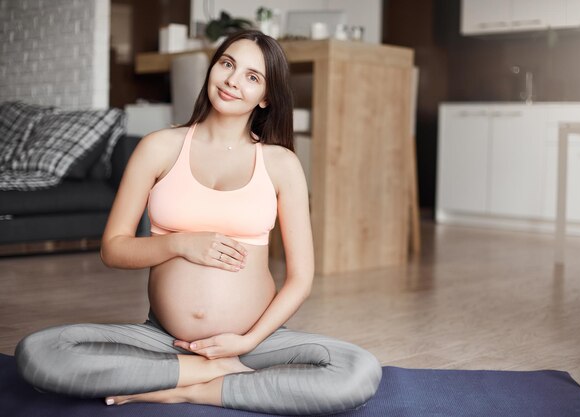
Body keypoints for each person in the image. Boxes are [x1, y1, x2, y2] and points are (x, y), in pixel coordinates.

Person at [14, 30, 382, 415]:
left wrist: (247, 341)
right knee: (40, 353)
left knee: (357, 370)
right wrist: (181, 243)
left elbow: (300, 279)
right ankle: (209, 372)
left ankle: (185, 388)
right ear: (213, 67)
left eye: (252, 77)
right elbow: (113, 248)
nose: (232, 81)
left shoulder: (281, 164)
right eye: (227, 64)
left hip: (254, 343)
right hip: (164, 340)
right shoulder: (158, 147)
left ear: (266, 97)